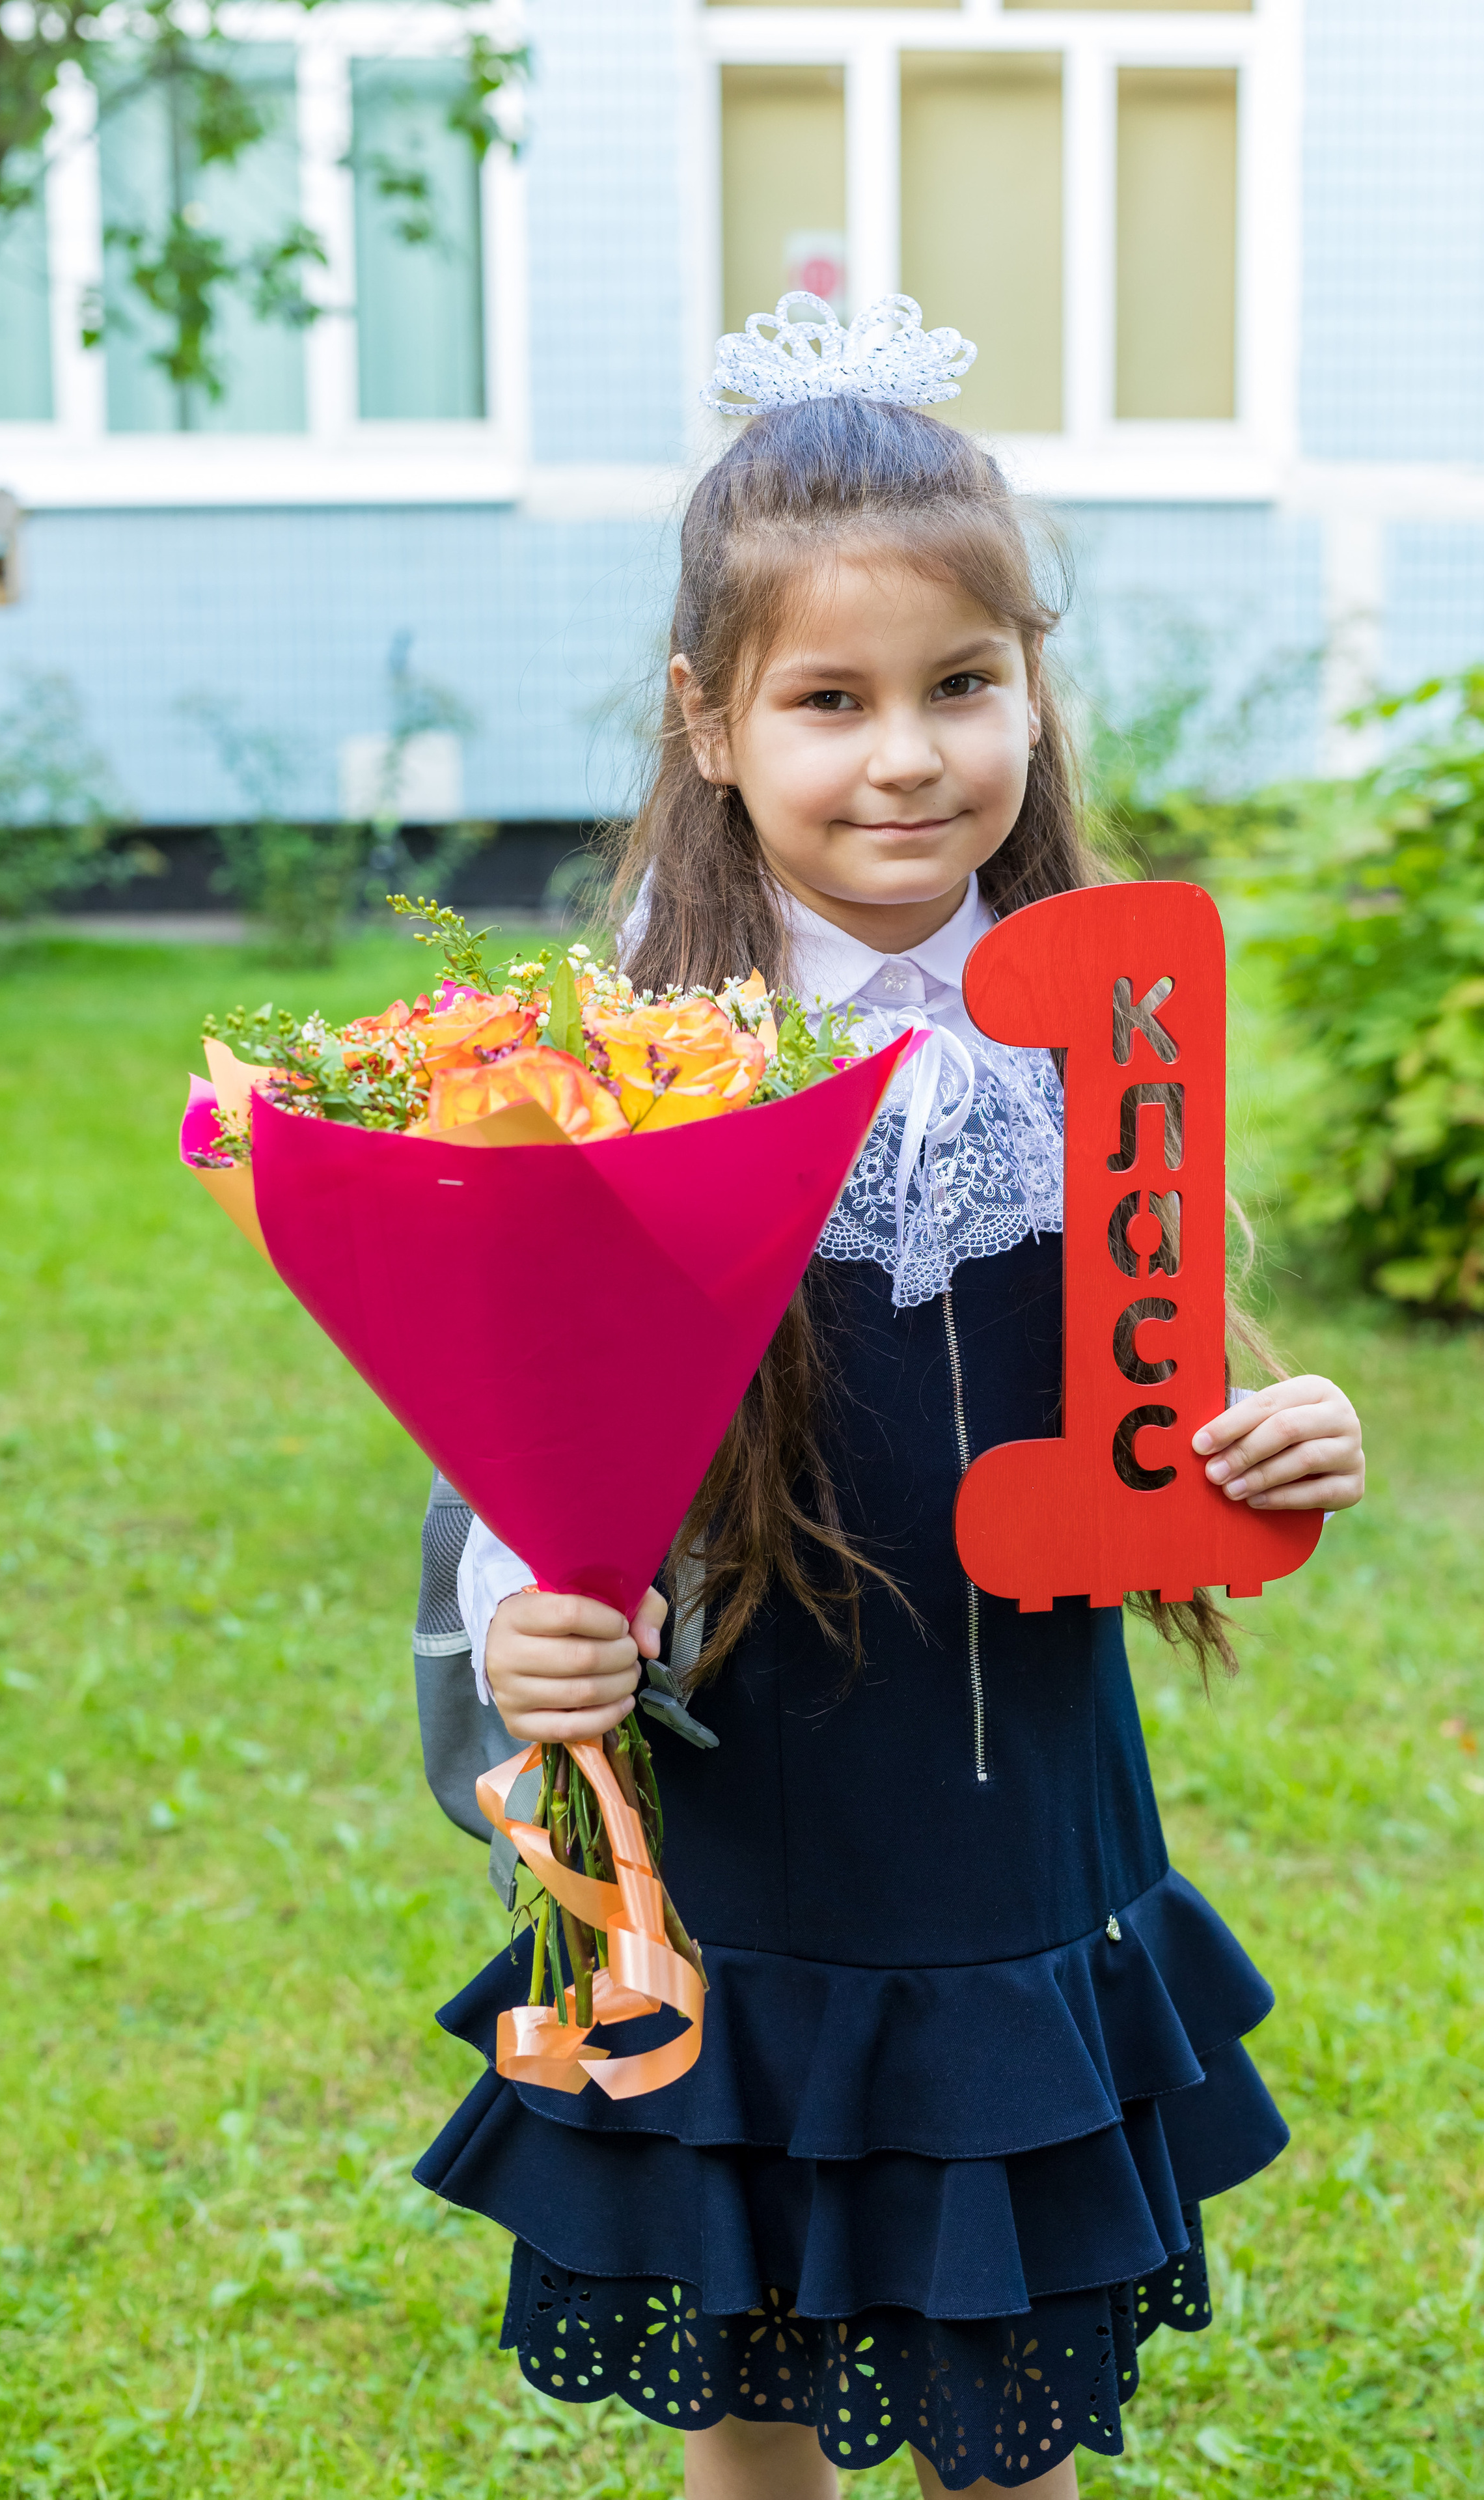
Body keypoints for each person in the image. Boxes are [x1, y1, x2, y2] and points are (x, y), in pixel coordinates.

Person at [413, 298, 1366, 2500]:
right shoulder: (627, 1074)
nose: (909, 757)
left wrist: (1279, 1445)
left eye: (963, 685)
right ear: (714, 722)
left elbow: (1174, 1407)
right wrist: (533, 1625)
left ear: (1036, 686)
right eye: (829, 701)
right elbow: (529, 1456)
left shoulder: (1108, 1035)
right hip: (759, 1819)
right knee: (758, 2374)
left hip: (1023, 1821)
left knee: (997, 2381)